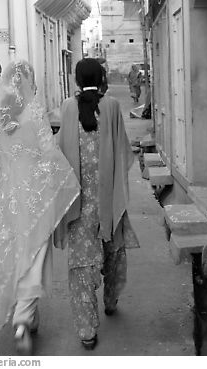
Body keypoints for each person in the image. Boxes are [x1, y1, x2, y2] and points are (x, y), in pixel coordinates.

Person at [0, 60, 80, 355]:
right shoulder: (33, 112)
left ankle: (25, 319)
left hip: (2, 202)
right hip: (32, 200)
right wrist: (64, 180)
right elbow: (49, 154)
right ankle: (22, 320)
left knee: (11, 257)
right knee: (32, 258)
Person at [56, 58, 140, 350]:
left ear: (76, 80)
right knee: (113, 252)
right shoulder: (113, 106)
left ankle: (87, 331)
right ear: (102, 77)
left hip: (78, 204)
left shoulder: (67, 107)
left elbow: (56, 150)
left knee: (81, 266)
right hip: (109, 199)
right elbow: (123, 152)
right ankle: (111, 301)